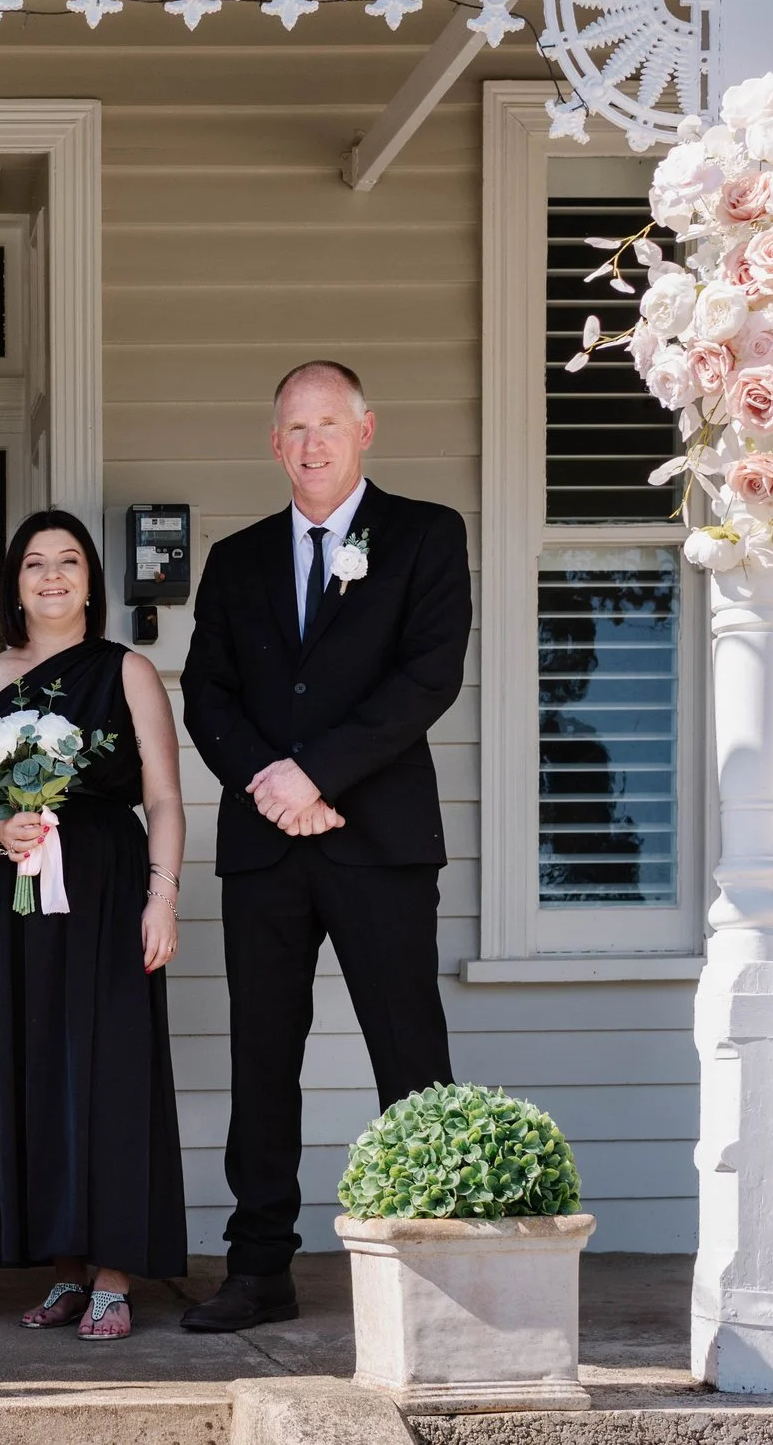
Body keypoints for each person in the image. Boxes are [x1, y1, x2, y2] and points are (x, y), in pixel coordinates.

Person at [177, 360, 470, 1332]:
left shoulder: (426, 535)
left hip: (378, 842)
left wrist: (318, 774)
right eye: (293, 427)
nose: (310, 443)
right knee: (263, 1059)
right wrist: (270, 783)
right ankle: (259, 1268)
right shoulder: (237, 557)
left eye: (327, 424)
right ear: (275, 444)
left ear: (364, 429)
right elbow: (207, 691)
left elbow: (425, 678)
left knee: (407, 1048)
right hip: (266, 848)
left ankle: (436, 1263)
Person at [0, 511, 188, 1342]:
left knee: (110, 1068)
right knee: (35, 1068)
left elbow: (161, 795)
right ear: (14, 585)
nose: (52, 576)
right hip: (8, 901)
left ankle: (114, 1274)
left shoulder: (129, 671)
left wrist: (162, 895)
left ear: (90, 578)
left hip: (108, 890)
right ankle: (62, 1268)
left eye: (69, 561)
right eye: (36, 564)